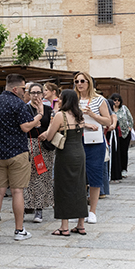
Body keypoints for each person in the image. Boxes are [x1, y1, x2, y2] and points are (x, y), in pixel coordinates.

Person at [0, 73, 37, 241]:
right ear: (15, 89)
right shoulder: (19, 104)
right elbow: (25, 127)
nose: (25, 91)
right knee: (17, 191)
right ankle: (19, 230)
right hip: (17, 152)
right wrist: (37, 118)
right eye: (23, 88)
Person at [39, 89, 91, 235]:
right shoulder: (80, 115)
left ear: (66, 100)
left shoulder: (60, 115)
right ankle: (81, 225)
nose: (59, 100)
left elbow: (50, 136)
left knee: (63, 187)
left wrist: (49, 128)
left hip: (65, 154)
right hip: (79, 153)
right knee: (80, 187)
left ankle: (64, 226)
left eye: (61, 98)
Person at [74, 72, 113, 224]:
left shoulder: (99, 100)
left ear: (89, 82)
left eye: (82, 81)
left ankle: (93, 211)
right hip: (77, 141)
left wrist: (93, 115)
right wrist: (84, 124)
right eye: (76, 81)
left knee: (95, 175)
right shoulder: (74, 99)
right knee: (78, 177)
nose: (79, 84)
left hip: (95, 142)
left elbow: (108, 121)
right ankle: (79, 210)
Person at [24, 82, 54, 223]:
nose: (35, 95)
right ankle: (26, 205)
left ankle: (39, 208)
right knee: (27, 177)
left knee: (42, 177)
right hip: (27, 144)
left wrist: (46, 132)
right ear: (29, 94)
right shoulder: (24, 109)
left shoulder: (48, 110)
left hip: (44, 146)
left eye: (38, 92)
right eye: (33, 92)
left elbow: (53, 126)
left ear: (43, 94)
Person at [109, 94, 133, 182]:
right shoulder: (109, 110)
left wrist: (129, 128)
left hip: (124, 134)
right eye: (115, 100)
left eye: (118, 100)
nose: (116, 102)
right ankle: (117, 169)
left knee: (123, 151)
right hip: (114, 134)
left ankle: (124, 169)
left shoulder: (124, 108)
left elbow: (130, 119)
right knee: (116, 152)